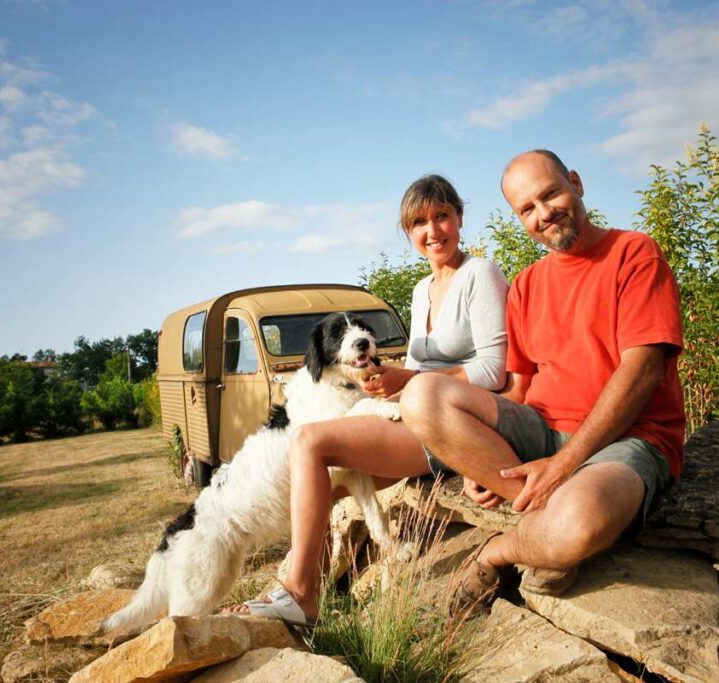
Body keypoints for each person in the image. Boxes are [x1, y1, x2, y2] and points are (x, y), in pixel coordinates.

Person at [398, 150, 685, 616]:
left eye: (550, 193)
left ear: (576, 183)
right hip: (543, 429)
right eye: (526, 209)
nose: (544, 213)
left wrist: (564, 464)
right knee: (421, 395)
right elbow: (518, 391)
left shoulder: (634, 253)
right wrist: (478, 460)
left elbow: (643, 370)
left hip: (630, 440)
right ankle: (541, 525)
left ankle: (499, 549)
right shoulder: (528, 284)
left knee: (579, 523)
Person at [224, 174, 509, 625]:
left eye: (441, 216)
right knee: (328, 475)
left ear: (459, 217)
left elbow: (495, 371)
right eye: (419, 222)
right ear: (408, 232)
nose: (432, 231)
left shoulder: (481, 274)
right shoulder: (421, 290)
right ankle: (303, 585)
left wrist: (411, 382)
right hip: (420, 410)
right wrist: (388, 381)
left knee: (312, 444)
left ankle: (300, 595)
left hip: (457, 422)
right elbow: (421, 369)